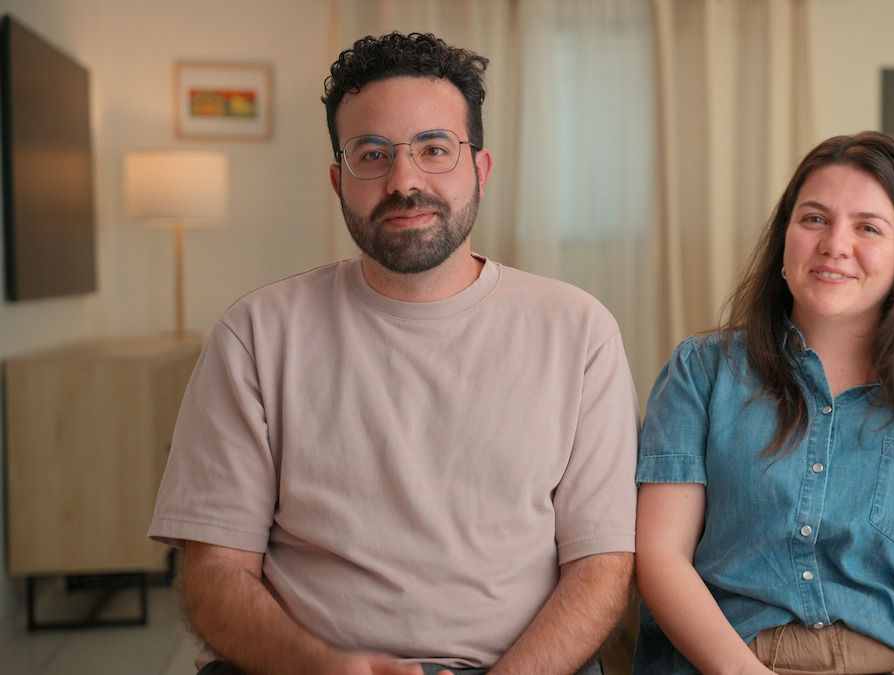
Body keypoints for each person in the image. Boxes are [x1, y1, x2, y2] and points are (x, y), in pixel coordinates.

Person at [149, 32, 638, 675]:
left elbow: (602, 567)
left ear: (480, 171)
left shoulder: (580, 332)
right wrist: (322, 667)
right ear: (338, 180)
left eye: (435, 149)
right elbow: (215, 571)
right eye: (372, 154)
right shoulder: (255, 334)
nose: (404, 181)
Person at [632, 131, 894, 675]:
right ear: (785, 239)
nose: (834, 244)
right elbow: (660, 555)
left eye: (868, 227)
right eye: (814, 219)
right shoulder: (701, 372)